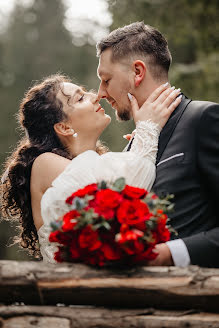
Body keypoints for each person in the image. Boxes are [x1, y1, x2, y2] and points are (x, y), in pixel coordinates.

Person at [1, 74, 181, 262]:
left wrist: (136, 149)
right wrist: (147, 131)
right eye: (80, 98)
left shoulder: (95, 162)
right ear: (64, 127)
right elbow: (120, 197)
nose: (95, 96)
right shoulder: (45, 163)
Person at [96, 21, 219, 268]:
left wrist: (172, 253)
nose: (100, 93)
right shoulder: (134, 146)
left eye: (106, 79)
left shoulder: (204, 118)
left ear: (138, 72)